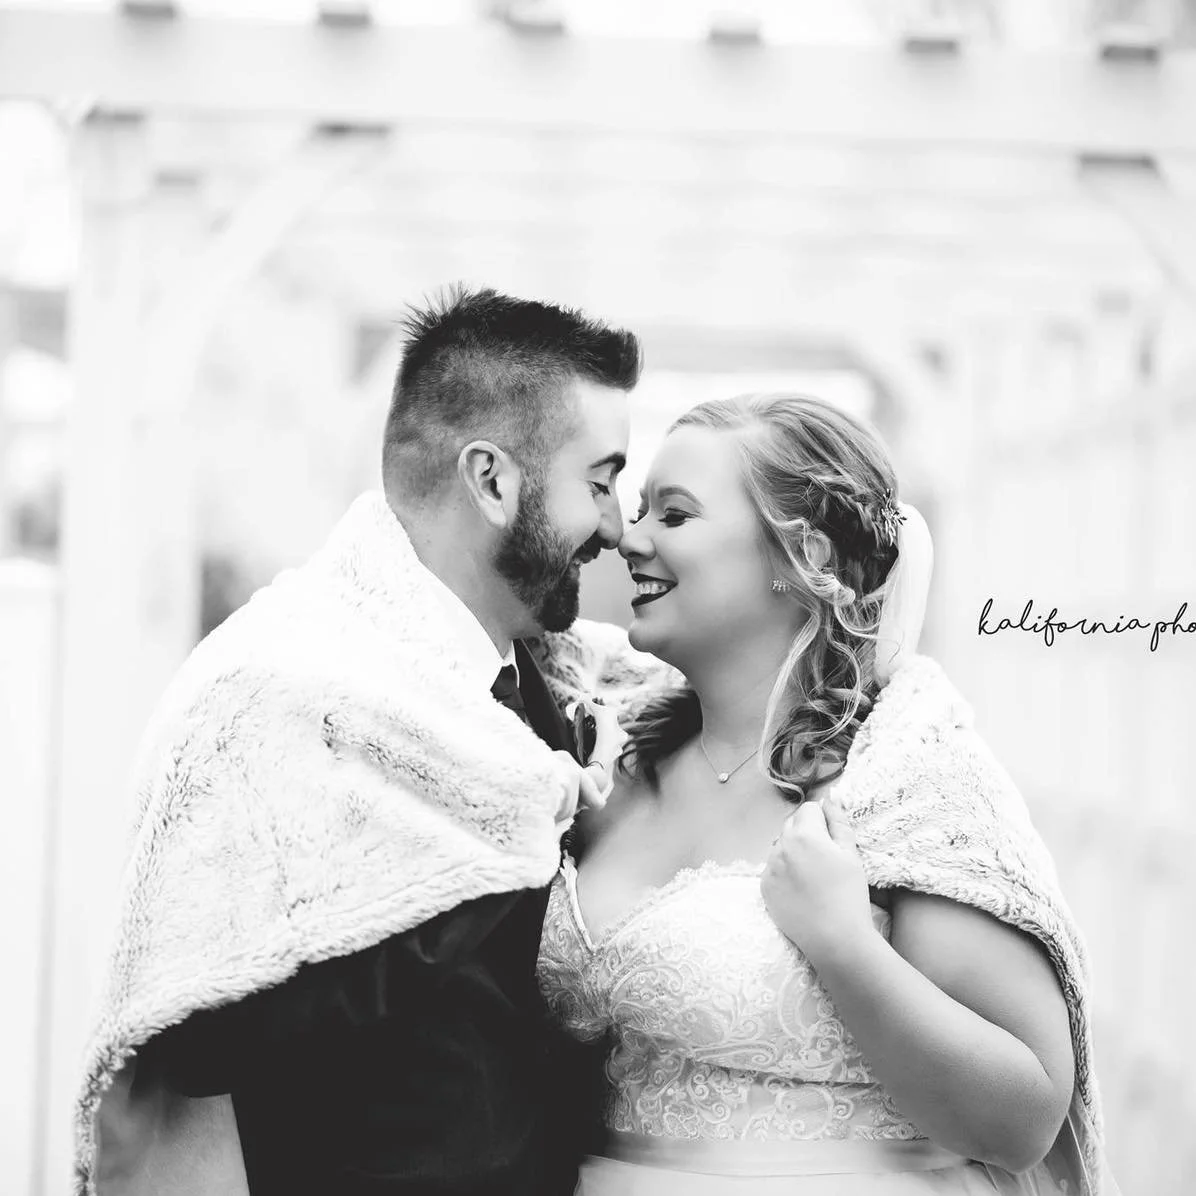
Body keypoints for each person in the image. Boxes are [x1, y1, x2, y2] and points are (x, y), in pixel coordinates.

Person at [75, 286, 639, 1196]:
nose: (615, 526)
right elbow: (208, 1025)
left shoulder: (571, 689)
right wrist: (496, 852)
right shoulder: (273, 692)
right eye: (601, 482)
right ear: (493, 480)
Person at [537, 393, 1120, 1195]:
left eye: (673, 514)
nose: (629, 540)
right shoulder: (612, 749)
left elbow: (1022, 1122)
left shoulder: (903, 776)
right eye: (638, 511)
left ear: (799, 556)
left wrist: (843, 942)